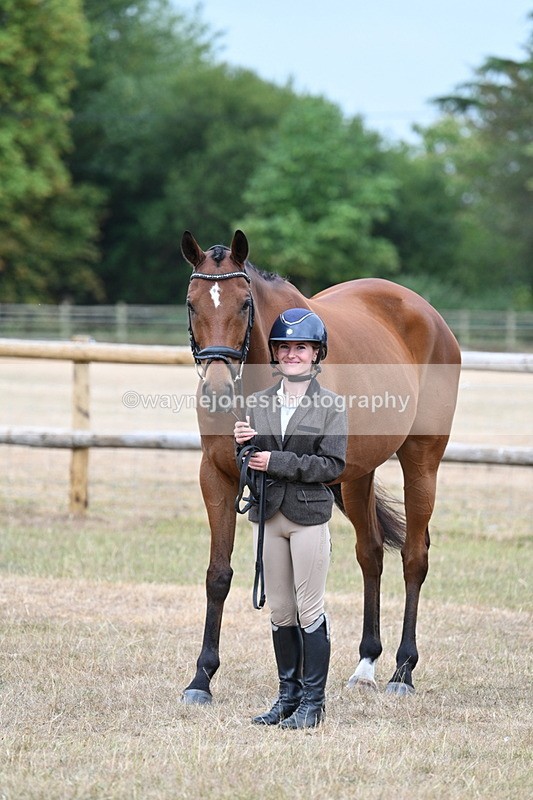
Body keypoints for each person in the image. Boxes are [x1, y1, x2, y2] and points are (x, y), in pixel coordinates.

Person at [234, 308, 347, 729]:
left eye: (301, 347)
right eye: (284, 347)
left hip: (307, 516)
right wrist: (242, 446)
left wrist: (274, 460)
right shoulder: (258, 403)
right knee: (281, 610)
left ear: (316, 353)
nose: (292, 354)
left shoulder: (331, 405)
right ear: (275, 354)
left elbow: (333, 465)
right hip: (268, 516)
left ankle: (314, 704)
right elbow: (247, 463)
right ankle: (289, 696)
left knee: (309, 609)